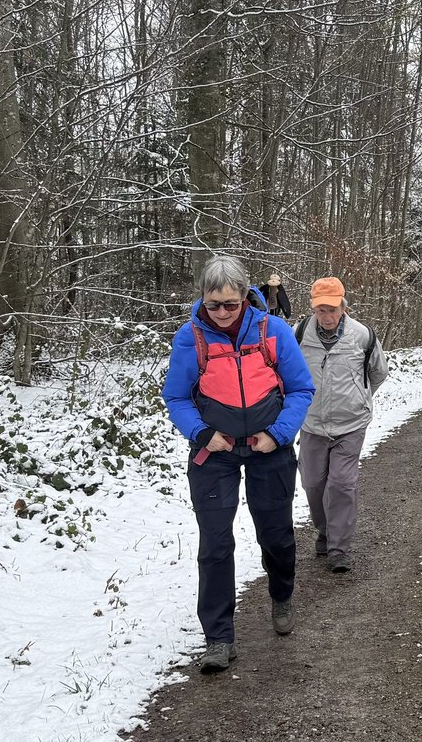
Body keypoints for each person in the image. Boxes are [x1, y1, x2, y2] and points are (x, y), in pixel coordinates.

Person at [161, 255, 316, 673]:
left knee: (276, 534)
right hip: (214, 453)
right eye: (214, 304)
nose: (223, 312)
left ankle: (281, 596)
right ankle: (218, 637)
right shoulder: (191, 337)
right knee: (215, 544)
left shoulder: (272, 330)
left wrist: (277, 435)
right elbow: (176, 396)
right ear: (203, 299)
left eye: (231, 303)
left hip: (269, 449)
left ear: (246, 297)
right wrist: (201, 433)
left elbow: (301, 389)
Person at [294, 276, 390, 574]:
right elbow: (287, 372)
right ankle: (324, 530)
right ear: (313, 309)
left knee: (341, 484)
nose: (327, 317)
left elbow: (378, 373)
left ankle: (339, 549)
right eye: (321, 310)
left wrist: (358, 398)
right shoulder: (299, 334)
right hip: (312, 423)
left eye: (332, 310)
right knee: (313, 483)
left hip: (351, 424)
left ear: (343, 307)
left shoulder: (362, 335)